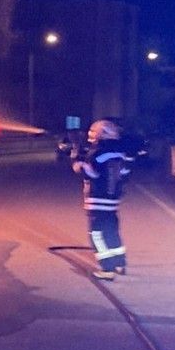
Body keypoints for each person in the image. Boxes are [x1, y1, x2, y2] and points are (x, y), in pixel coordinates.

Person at [71, 118, 132, 280]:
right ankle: (120, 263)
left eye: (93, 132)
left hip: (97, 200)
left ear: (100, 134)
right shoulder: (120, 154)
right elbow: (125, 174)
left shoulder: (97, 153)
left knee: (96, 235)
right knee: (112, 232)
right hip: (113, 201)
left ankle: (107, 269)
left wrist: (80, 165)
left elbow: (92, 174)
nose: (91, 135)